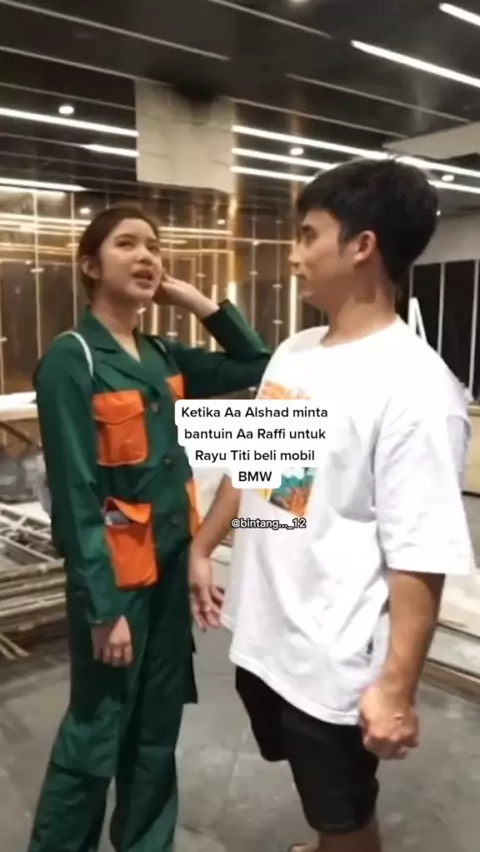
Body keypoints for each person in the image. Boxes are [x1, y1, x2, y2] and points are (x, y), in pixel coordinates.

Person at [189, 159, 475, 852]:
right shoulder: (294, 351)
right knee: (325, 807)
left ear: (361, 246)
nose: (294, 254)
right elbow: (255, 464)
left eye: (308, 234)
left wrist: (397, 688)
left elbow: (420, 556)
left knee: (343, 814)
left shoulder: (416, 388)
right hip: (262, 635)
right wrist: (202, 547)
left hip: (331, 659)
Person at [27, 203, 271, 852]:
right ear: (90, 265)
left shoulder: (163, 355)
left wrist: (194, 300)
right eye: (127, 244)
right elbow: (76, 498)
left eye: (155, 247)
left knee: (156, 732)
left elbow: (257, 363)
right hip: (116, 584)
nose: (146, 257)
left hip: (168, 578)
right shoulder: (73, 359)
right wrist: (103, 610)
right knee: (97, 732)